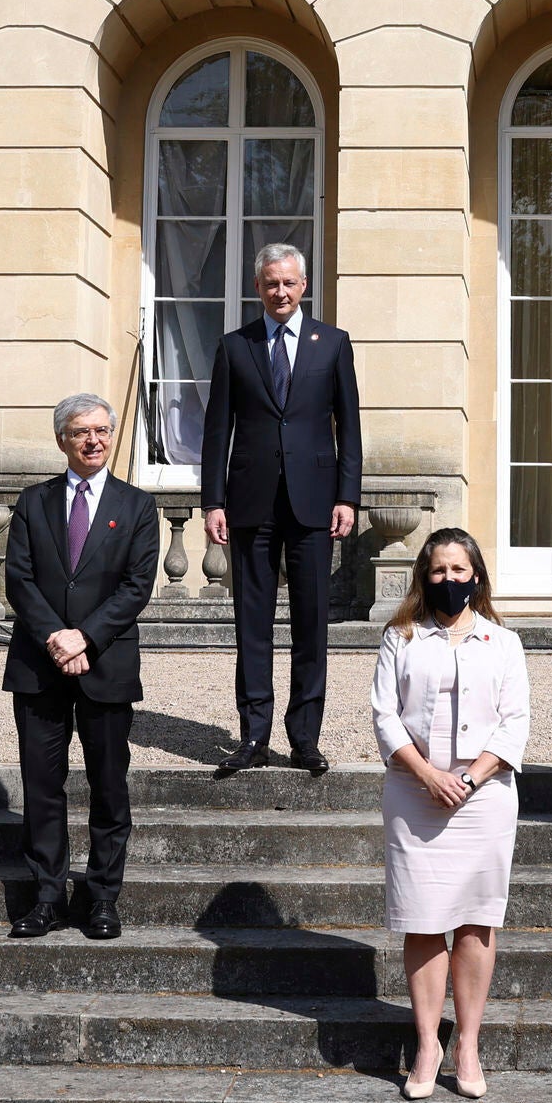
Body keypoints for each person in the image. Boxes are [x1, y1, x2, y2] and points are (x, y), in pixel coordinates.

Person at [373, 527, 529, 1101]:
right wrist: (429, 774)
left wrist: (469, 776)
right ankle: (426, 1042)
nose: (449, 580)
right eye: (439, 571)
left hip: (483, 798)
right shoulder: (400, 636)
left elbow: (516, 723)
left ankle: (467, 1041)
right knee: (421, 918)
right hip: (416, 794)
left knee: (474, 920)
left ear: (477, 576)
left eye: (459, 571)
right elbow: (385, 717)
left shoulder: (503, 642)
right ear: (424, 576)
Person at [200, 241, 363, 775]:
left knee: (311, 622)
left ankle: (304, 739)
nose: (281, 291)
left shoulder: (333, 344)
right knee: (253, 623)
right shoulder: (234, 346)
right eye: (271, 283)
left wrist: (348, 495)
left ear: (305, 285)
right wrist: (212, 501)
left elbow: (350, 428)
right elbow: (216, 430)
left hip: (314, 500)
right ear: (258, 288)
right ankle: (253, 737)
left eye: (289, 282)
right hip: (249, 503)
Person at [1, 392, 156, 941]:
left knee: (109, 785)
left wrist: (84, 637)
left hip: (106, 664)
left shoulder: (137, 506)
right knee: (42, 786)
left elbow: (137, 586)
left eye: (101, 431)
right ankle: (47, 896)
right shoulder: (33, 501)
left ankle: (102, 897)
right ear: (61, 439)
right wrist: (54, 638)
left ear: (112, 437)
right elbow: (18, 578)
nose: (92, 440)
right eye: (80, 432)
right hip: (39, 667)